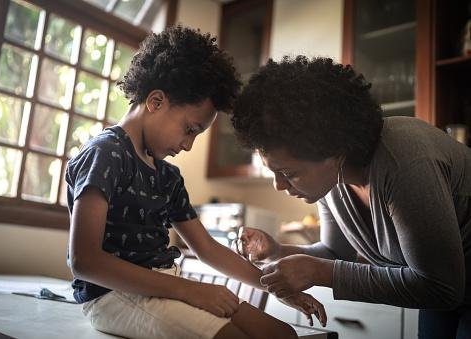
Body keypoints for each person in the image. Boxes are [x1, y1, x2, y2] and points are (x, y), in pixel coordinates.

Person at [65, 26, 325, 339]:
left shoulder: (167, 176)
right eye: (189, 129)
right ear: (156, 102)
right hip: (113, 296)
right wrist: (188, 290)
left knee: (283, 335)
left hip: (165, 286)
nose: (188, 145)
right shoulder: (105, 154)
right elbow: (84, 261)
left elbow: (207, 249)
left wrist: (274, 287)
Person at [230, 55, 471, 339]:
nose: (278, 186)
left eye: (289, 172)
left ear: (335, 151)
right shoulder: (335, 179)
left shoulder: (405, 162)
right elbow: (335, 253)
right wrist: (279, 251)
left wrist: (321, 273)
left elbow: (441, 287)